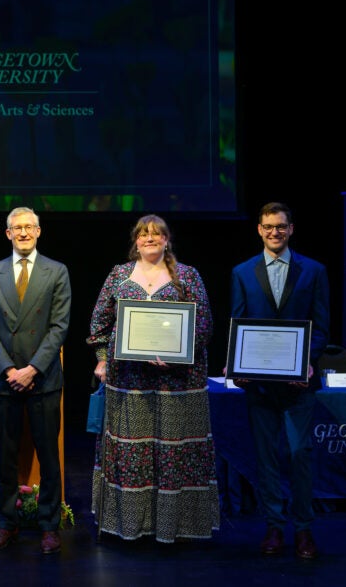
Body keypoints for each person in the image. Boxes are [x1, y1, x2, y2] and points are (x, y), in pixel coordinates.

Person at [88, 214, 219, 543]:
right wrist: (103, 360)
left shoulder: (187, 276)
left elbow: (203, 326)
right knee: (133, 453)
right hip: (129, 382)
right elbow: (99, 326)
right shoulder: (119, 275)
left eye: (157, 234)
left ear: (167, 240)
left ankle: (173, 527)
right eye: (144, 234)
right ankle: (130, 525)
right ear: (135, 241)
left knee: (172, 454)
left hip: (176, 385)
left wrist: (174, 357)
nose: (150, 239)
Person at [230, 201, 330, 559]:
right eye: (269, 226)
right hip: (259, 386)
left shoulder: (313, 270)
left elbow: (321, 326)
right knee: (267, 456)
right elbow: (238, 324)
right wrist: (237, 365)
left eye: (281, 226)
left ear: (291, 229)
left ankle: (303, 529)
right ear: (259, 229)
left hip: (299, 385)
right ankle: (274, 526)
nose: (275, 232)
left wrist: (308, 362)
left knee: (300, 453)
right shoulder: (242, 272)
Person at [0, 207, 72, 554]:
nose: (22, 232)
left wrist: (32, 369)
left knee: (48, 457)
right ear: (7, 234)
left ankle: (49, 525)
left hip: (44, 379)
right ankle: (6, 524)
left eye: (28, 227)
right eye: (16, 228)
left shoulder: (57, 271)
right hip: (4, 382)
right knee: (6, 458)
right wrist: (9, 370)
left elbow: (59, 327)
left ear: (38, 231)